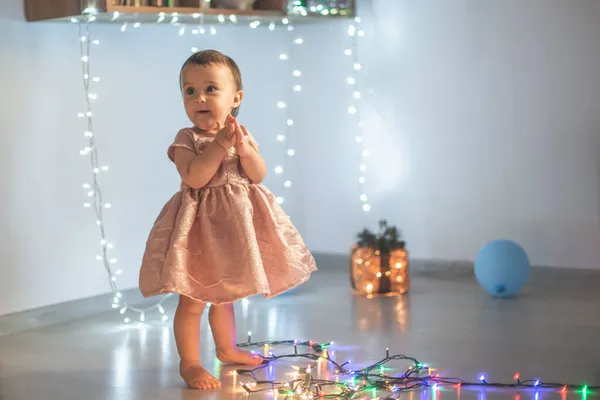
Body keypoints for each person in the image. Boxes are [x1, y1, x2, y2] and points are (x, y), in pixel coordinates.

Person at [138, 49, 317, 390]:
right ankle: (189, 363)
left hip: (236, 228)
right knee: (193, 299)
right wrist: (219, 145)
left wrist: (245, 149)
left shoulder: (241, 134)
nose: (199, 97)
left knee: (227, 294)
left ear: (235, 98)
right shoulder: (186, 139)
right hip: (199, 233)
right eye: (189, 91)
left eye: (210, 89)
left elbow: (257, 175)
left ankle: (226, 348)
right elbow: (195, 177)